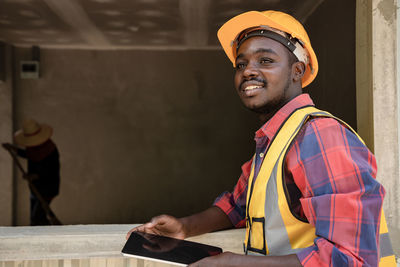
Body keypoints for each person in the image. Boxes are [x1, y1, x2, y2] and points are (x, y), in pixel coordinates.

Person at [127, 10, 396, 266]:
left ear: (297, 71)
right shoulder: (275, 141)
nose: (247, 71)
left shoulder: (319, 136)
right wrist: (184, 227)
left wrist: (239, 264)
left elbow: (352, 259)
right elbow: (237, 207)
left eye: (265, 60)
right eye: (241, 63)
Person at [2, 118, 60, 226]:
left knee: (37, 218)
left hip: (47, 187)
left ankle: (50, 235)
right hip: (35, 187)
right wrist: (13, 148)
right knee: (36, 217)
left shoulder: (49, 149)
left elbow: (50, 169)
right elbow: (29, 155)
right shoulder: (33, 149)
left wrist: (35, 175)